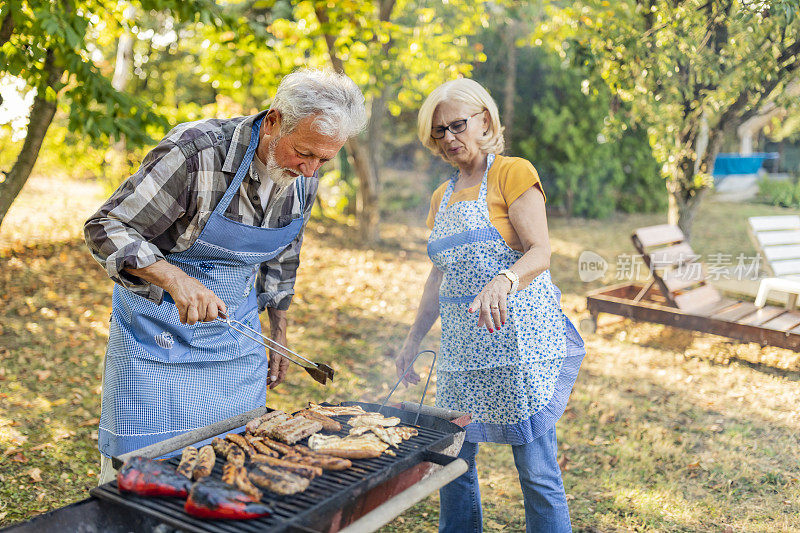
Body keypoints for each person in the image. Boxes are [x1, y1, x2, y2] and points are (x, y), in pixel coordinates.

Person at [85, 69, 366, 483]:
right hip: (156, 341)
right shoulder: (196, 152)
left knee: (232, 464)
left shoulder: (306, 174)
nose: (310, 171)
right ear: (273, 121)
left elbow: (283, 254)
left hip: (235, 344)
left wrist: (279, 330)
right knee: (141, 475)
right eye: (304, 153)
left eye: (324, 159)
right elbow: (106, 227)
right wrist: (174, 278)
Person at [395, 78, 585, 533]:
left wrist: (504, 279)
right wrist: (411, 341)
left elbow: (540, 251)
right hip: (463, 352)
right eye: (439, 132)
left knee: (536, 471)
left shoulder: (512, 173)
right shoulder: (442, 197)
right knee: (453, 460)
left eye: (457, 125)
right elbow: (438, 276)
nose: (449, 138)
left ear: (485, 119)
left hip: (518, 343)